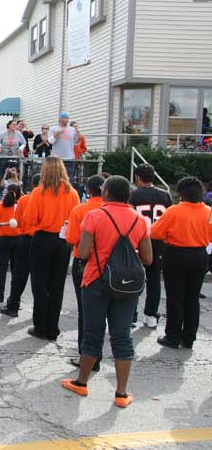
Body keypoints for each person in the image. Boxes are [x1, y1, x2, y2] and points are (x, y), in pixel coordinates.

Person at [62, 175, 151, 409]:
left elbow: (82, 252)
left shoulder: (95, 215)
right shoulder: (139, 220)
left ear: (107, 194)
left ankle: (82, 382)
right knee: (122, 336)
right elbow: (148, 258)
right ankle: (121, 393)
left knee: (93, 331)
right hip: (127, 284)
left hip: (96, 279)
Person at [150, 177, 212, 349]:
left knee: (175, 297)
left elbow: (155, 233)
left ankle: (173, 336)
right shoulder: (209, 211)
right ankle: (189, 337)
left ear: (180, 193)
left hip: (176, 254)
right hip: (200, 255)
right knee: (192, 298)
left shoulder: (174, 211)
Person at [22, 156, 80, 340]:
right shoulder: (72, 193)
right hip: (63, 240)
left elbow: (29, 219)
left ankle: (40, 326)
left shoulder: (39, 192)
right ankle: (53, 327)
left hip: (43, 238)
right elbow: (76, 218)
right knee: (57, 285)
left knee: (40, 284)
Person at [64, 174, 106, 370]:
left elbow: (72, 238)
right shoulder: (123, 211)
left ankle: (87, 355)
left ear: (88, 191)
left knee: (86, 312)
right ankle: (98, 353)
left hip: (86, 263)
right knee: (106, 313)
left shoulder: (81, 210)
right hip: (111, 265)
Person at [130, 164, 173, 329]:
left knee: (133, 277)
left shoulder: (133, 195)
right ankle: (150, 314)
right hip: (157, 241)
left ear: (138, 178)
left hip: (137, 240)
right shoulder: (165, 195)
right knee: (154, 279)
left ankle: (131, 314)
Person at [0, 173, 40, 317]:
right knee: (41, 278)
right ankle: (40, 311)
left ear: (33, 185)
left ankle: (13, 305)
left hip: (26, 238)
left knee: (19, 275)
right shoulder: (52, 198)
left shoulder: (24, 200)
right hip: (43, 239)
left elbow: (17, 222)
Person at [0, 183, 23, 304]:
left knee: (2, 268)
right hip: (17, 239)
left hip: (3, 239)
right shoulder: (19, 206)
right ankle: (13, 297)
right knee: (15, 270)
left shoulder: (0, 206)